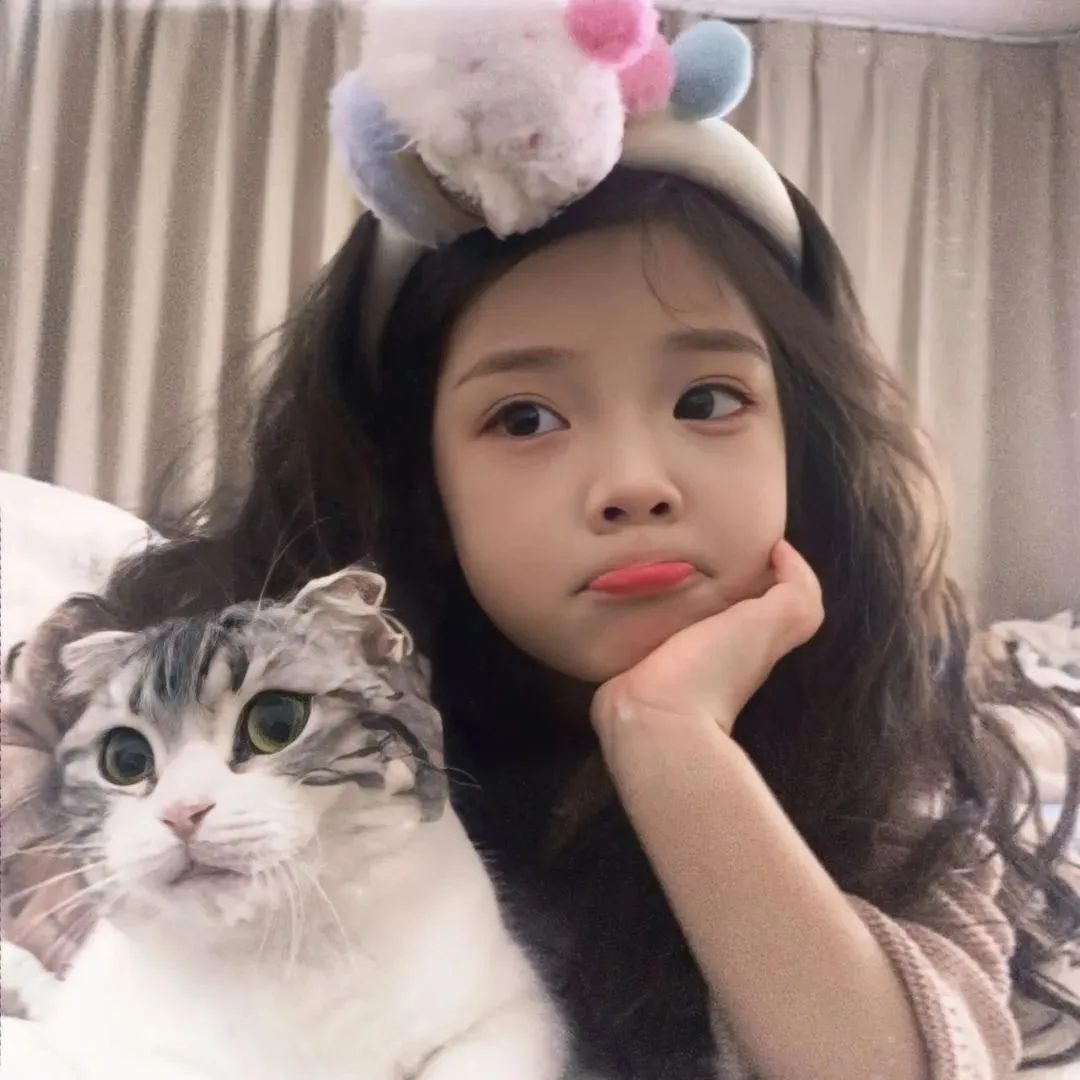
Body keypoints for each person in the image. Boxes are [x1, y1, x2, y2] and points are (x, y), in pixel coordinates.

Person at [2, 8, 1077, 1079]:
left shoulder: (878, 732)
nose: (634, 483)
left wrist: (673, 744)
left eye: (707, 399)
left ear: (805, 443)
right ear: (419, 478)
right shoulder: (165, 648)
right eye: (524, 418)